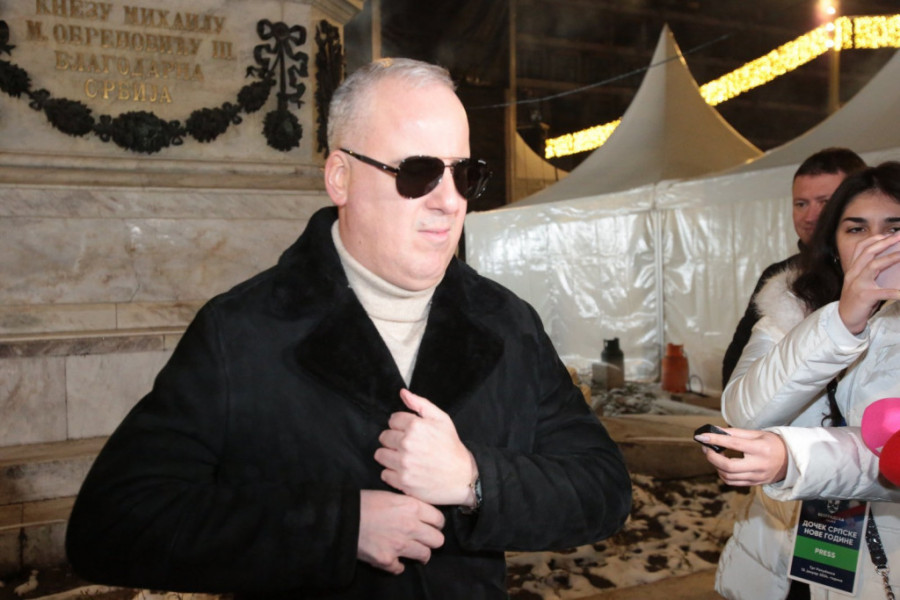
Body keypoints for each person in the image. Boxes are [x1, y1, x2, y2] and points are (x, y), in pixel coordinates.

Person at [64, 58, 632, 599]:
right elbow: (113, 524)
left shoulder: (507, 323)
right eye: (418, 173)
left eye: (465, 174)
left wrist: (475, 480)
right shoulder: (243, 331)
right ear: (340, 177)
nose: (449, 201)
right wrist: (339, 527)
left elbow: (602, 488)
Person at [702, 162, 900, 600]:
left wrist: (793, 458)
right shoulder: (790, 303)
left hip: (883, 557)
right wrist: (841, 322)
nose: (876, 243)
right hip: (782, 543)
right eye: (856, 229)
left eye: (894, 227)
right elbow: (744, 412)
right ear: (834, 242)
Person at [721, 147, 866, 387]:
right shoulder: (780, 277)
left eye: (825, 202)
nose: (810, 216)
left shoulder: (884, 275)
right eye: (801, 204)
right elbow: (736, 365)